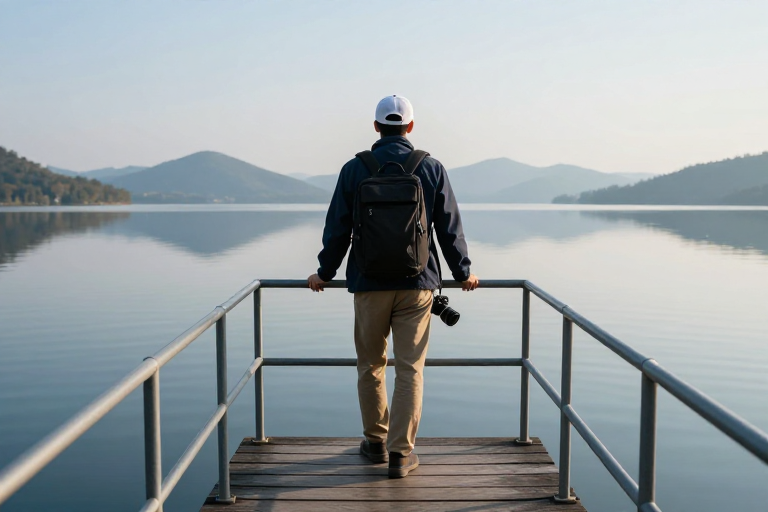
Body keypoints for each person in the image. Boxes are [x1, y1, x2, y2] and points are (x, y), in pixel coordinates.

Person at [307, 94, 478, 478]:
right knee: (410, 369)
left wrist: (324, 272)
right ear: (410, 127)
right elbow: (449, 227)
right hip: (417, 285)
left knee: (370, 366)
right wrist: (463, 272)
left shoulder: (355, 169)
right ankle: (401, 455)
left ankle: (375, 444)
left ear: (376, 126)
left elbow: (337, 228)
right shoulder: (430, 167)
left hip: (369, 285)